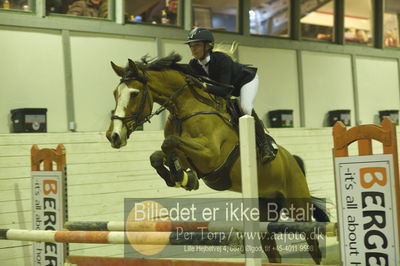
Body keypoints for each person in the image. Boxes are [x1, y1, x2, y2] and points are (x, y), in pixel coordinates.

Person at [185, 27, 276, 163]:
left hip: (245, 81)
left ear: (208, 46)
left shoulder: (221, 59)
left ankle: (265, 144)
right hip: (224, 88)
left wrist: (203, 86)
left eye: (197, 45)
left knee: (245, 107)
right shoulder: (193, 64)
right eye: (191, 46)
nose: (193, 49)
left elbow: (225, 91)